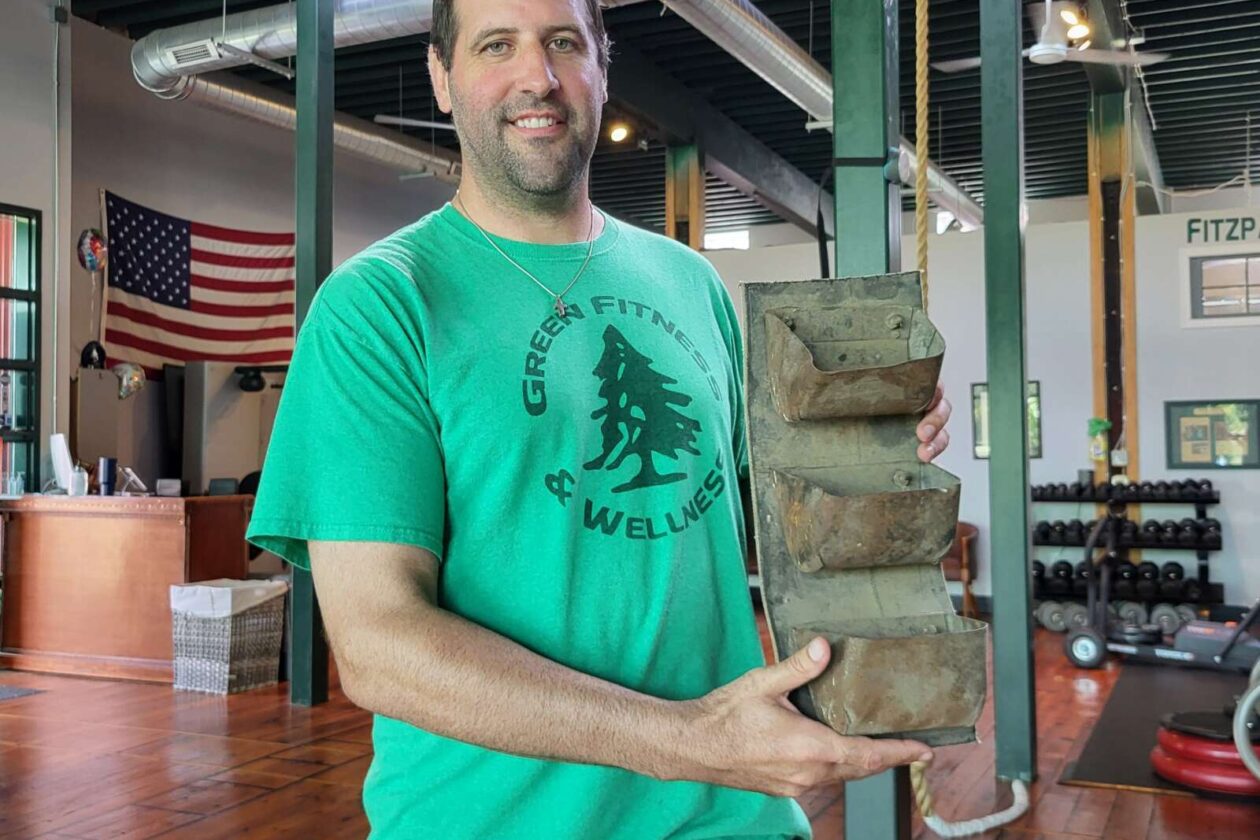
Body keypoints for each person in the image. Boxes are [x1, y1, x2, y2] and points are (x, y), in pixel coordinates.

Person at [247, 0, 954, 837]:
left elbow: (759, 514)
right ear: (441, 77)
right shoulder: (380, 305)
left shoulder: (691, 283)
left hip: (734, 818)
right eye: (496, 45)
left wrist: (870, 443)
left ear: (602, 66)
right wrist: (691, 742)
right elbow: (377, 644)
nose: (538, 77)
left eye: (563, 43)